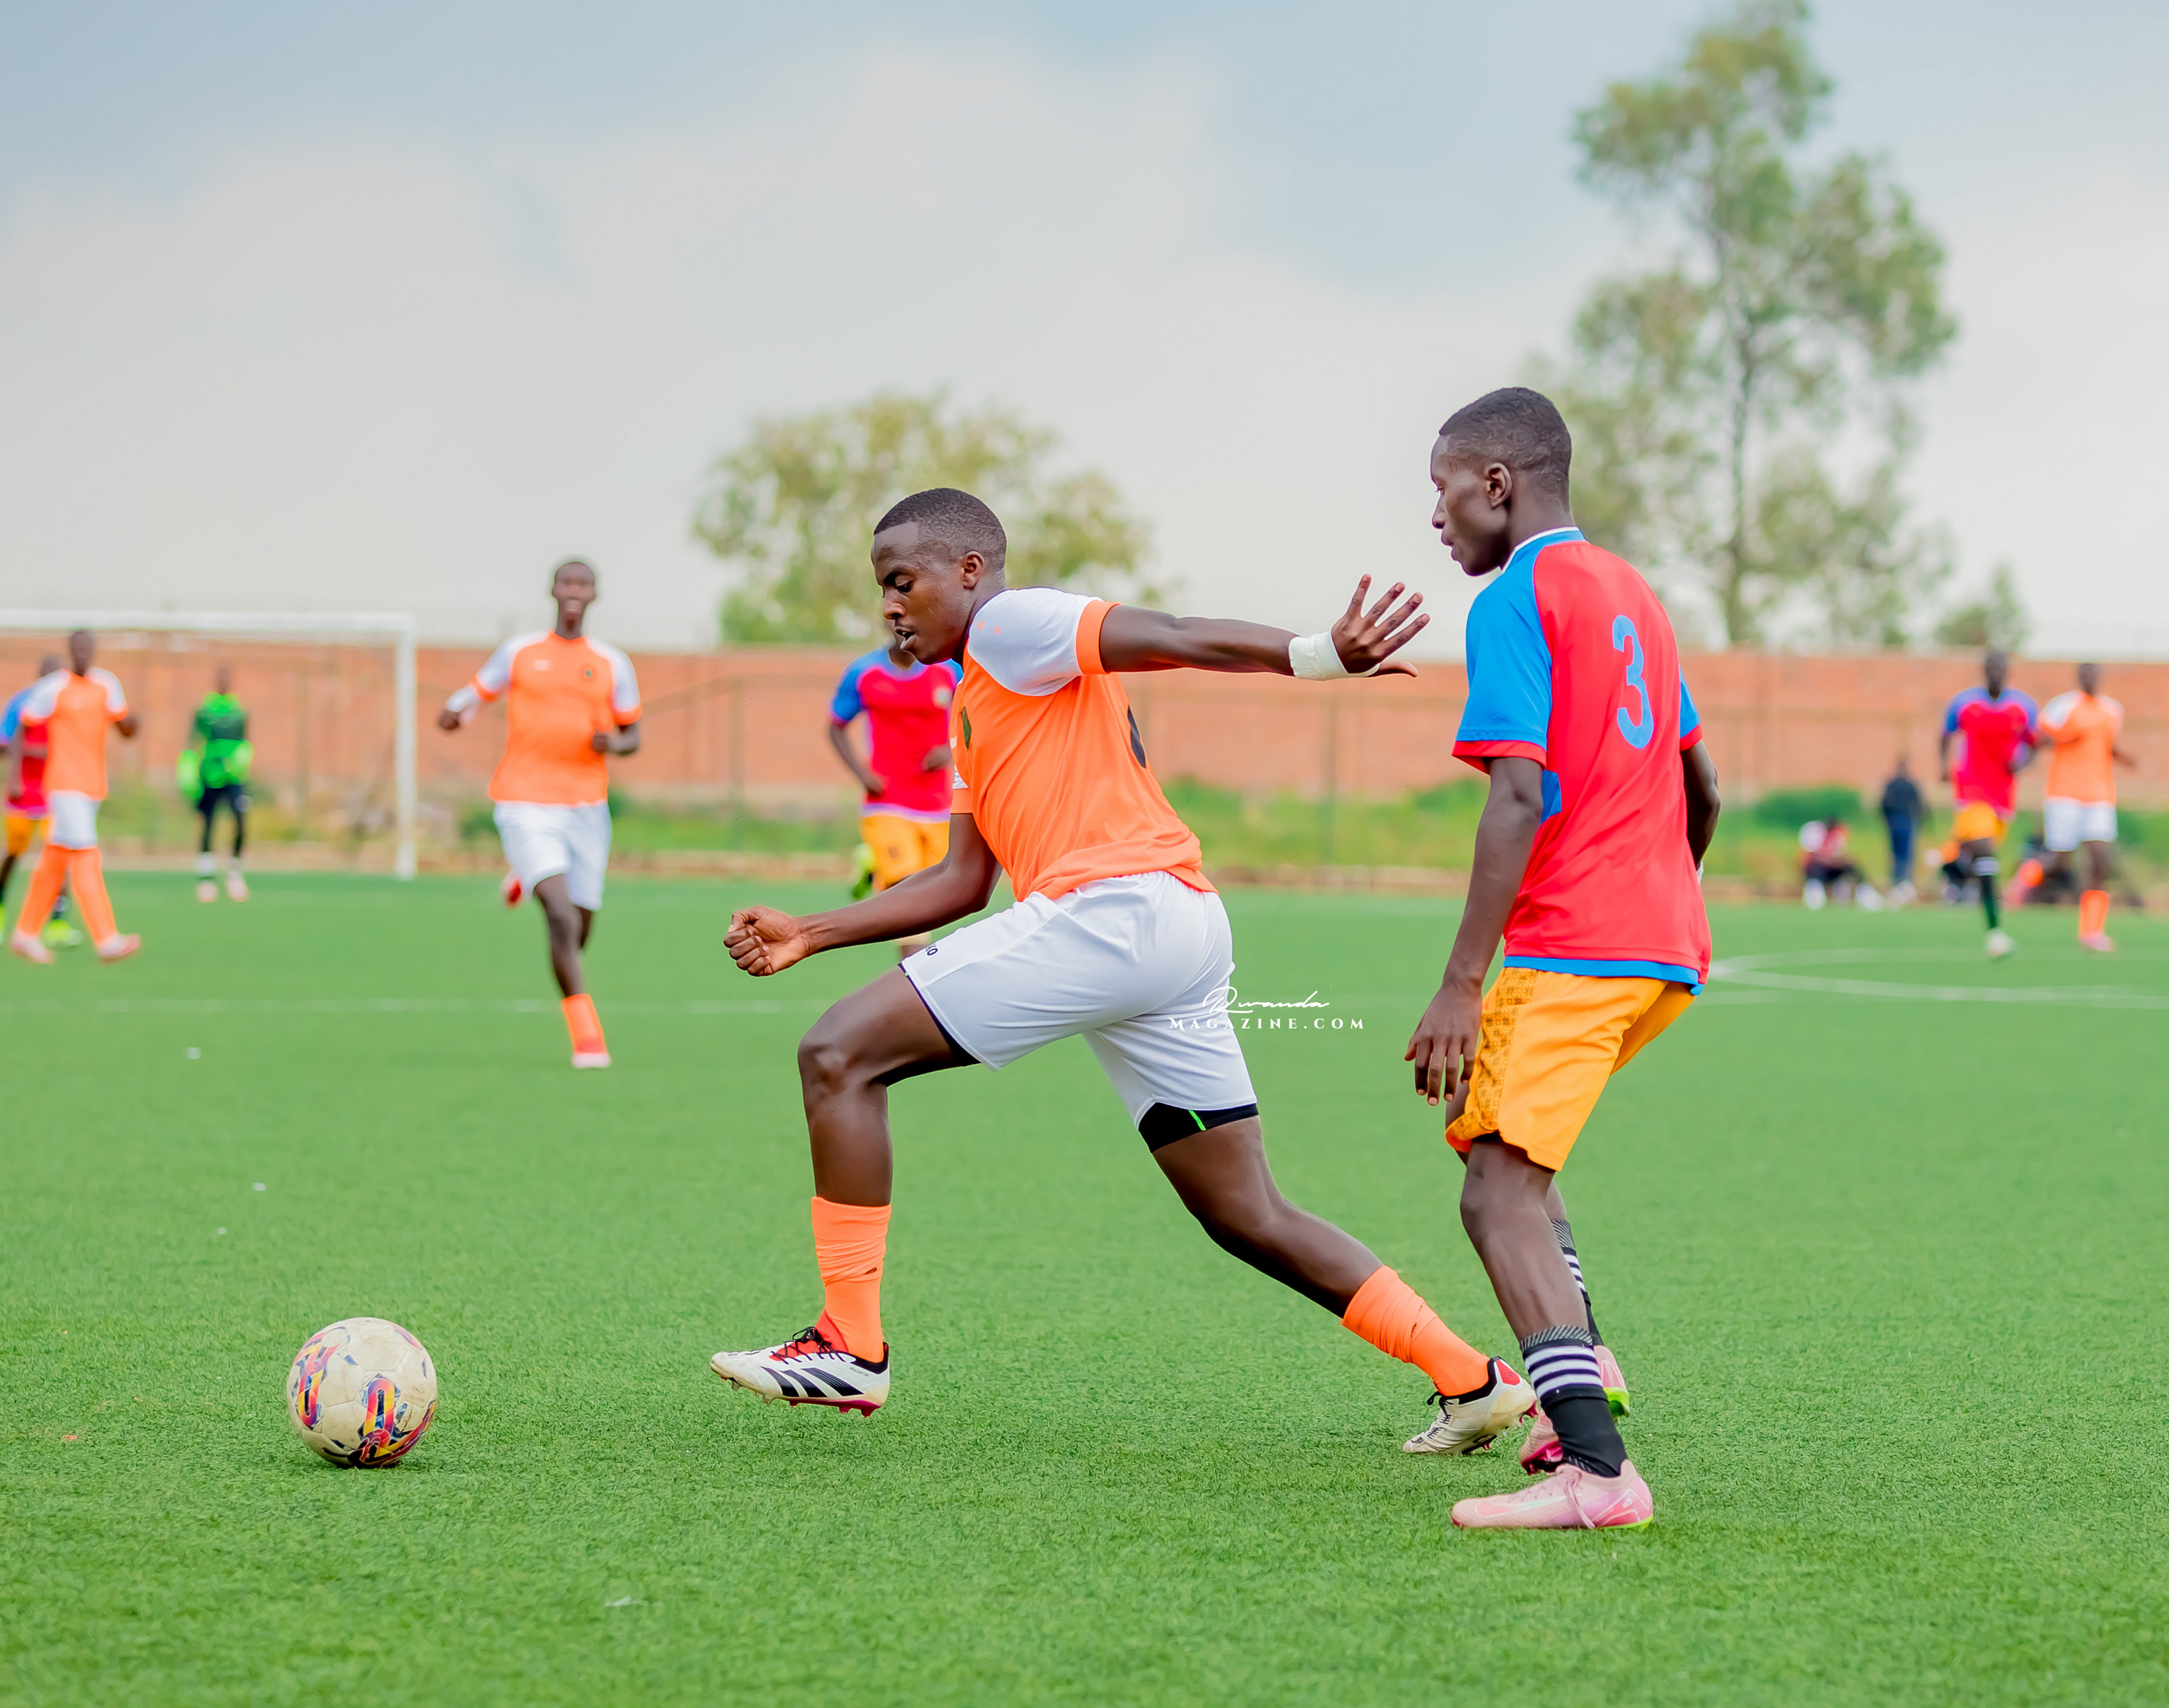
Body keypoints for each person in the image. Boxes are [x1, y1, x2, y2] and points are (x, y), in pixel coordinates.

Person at [714, 487, 1535, 1454]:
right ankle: (1472, 1377)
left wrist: (1318, 654)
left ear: (969, 571)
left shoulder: (1012, 624)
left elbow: (1173, 634)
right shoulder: (978, 698)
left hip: (1115, 915)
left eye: (903, 581)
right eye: (881, 589)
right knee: (1244, 1210)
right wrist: (812, 931)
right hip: (1173, 927)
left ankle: (850, 1344)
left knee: (837, 1054)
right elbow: (961, 881)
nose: (890, 605)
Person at [1406, 387, 1719, 1531]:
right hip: (1661, 945)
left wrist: (1459, 980)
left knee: (1496, 1193)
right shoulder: (1633, 591)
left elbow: (1518, 793)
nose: (1436, 513)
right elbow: (1703, 784)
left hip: (1577, 941)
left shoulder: (1514, 598)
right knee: (1509, 1149)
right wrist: (1663, 893)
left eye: (1442, 485)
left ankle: (1597, 1466)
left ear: (1496, 482)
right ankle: (1583, 1359)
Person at [440, 560, 641, 1068]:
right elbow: (475, 693)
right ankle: (587, 1035)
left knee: (580, 927)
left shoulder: (612, 662)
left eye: (583, 584)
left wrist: (614, 744)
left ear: (594, 595)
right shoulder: (520, 652)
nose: (574, 591)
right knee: (559, 915)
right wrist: (455, 711)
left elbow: (633, 734)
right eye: (567, 582)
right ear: (553, 590)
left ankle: (524, 875)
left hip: (587, 808)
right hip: (523, 800)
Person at [5, 630, 141, 964]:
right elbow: (23, 725)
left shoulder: (106, 684)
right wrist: (15, 774)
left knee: (56, 858)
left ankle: (25, 933)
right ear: (70, 650)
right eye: (77, 647)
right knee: (86, 854)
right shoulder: (53, 688)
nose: (82, 652)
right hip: (64, 784)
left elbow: (123, 728)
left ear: (93, 650)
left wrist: (134, 724)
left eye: (87, 647)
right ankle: (106, 938)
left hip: (93, 785)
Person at [828, 640, 962, 956]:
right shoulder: (864, 672)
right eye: (893, 615)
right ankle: (916, 973)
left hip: (937, 805)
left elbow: (977, 712)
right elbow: (836, 726)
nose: (900, 619)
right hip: (886, 802)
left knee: (934, 893)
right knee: (907, 888)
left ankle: (873, 862)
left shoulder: (949, 671)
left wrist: (950, 748)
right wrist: (863, 774)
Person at [1938, 651, 2038, 959]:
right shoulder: (1964, 703)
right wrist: (1943, 766)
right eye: (1990, 666)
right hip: (1971, 789)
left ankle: (1952, 864)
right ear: (1984, 670)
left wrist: (2022, 763)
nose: (1995, 671)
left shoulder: (2023, 706)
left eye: (2000, 667)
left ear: (2007, 671)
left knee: (1983, 854)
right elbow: (1945, 735)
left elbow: (2034, 743)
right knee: (1985, 852)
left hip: (2003, 796)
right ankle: (1995, 932)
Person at [2034, 662, 2136, 951]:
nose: (2090, 679)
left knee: (2100, 858)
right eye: (2086, 675)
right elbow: (2039, 740)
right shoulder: (2062, 707)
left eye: (2095, 675)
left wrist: (2125, 758)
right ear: (2080, 678)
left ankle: (2092, 930)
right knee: (2059, 861)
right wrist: (2065, 738)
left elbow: (2107, 745)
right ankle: (2020, 886)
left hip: (2100, 794)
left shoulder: (2112, 710)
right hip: (2064, 792)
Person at [0, 655, 81, 947]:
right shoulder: (22, 704)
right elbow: (5, 743)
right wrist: (16, 776)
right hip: (24, 791)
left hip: (55, 792)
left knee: (61, 853)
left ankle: (57, 922)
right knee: (13, 852)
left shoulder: (66, 706)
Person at [186, 664, 253, 903]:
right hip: (210, 775)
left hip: (234, 777)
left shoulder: (238, 710)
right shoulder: (205, 709)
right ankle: (206, 877)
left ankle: (235, 874)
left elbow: (245, 741)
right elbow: (193, 740)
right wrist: (189, 770)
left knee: (240, 820)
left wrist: (240, 761)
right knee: (208, 823)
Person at [1879, 756, 1922, 903]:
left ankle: (1897, 880)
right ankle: (1904, 881)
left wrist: (1886, 819)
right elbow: (1918, 804)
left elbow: (1884, 803)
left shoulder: (1891, 784)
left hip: (1894, 820)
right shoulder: (1909, 784)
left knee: (1896, 853)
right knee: (1905, 853)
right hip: (1905, 820)